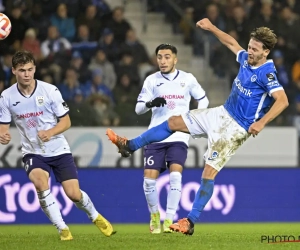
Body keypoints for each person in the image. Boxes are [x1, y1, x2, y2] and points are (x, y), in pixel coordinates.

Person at [106, 18, 289, 235]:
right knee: (174, 122)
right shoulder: (246, 59)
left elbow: (283, 100)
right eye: (249, 47)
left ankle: (190, 222)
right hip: (221, 113)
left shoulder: (267, 73)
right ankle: (130, 145)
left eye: (254, 50)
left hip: (236, 128)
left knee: (208, 173)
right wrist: (211, 28)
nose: (249, 51)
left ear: (265, 52)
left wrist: (261, 122)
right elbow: (231, 43)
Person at [0, 51, 115, 240]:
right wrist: (3, 135)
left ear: (35, 69)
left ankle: (95, 216)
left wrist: (50, 132)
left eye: (30, 69)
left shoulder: (50, 90)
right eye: (22, 70)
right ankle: (63, 229)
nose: (27, 74)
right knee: (40, 183)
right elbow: (3, 127)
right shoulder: (6, 97)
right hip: (33, 152)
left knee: (74, 194)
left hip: (59, 149)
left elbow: (66, 122)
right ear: (14, 71)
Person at [135, 43, 209, 234]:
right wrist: (151, 103)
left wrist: (194, 116)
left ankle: (169, 219)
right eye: (159, 57)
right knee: (149, 181)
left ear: (175, 59)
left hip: (179, 135)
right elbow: (138, 108)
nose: (163, 61)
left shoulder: (187, 78)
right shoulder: (151, 80)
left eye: (167, 57)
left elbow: (203, 98)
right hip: (156, 136)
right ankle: (154, 215)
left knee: (175, 176)